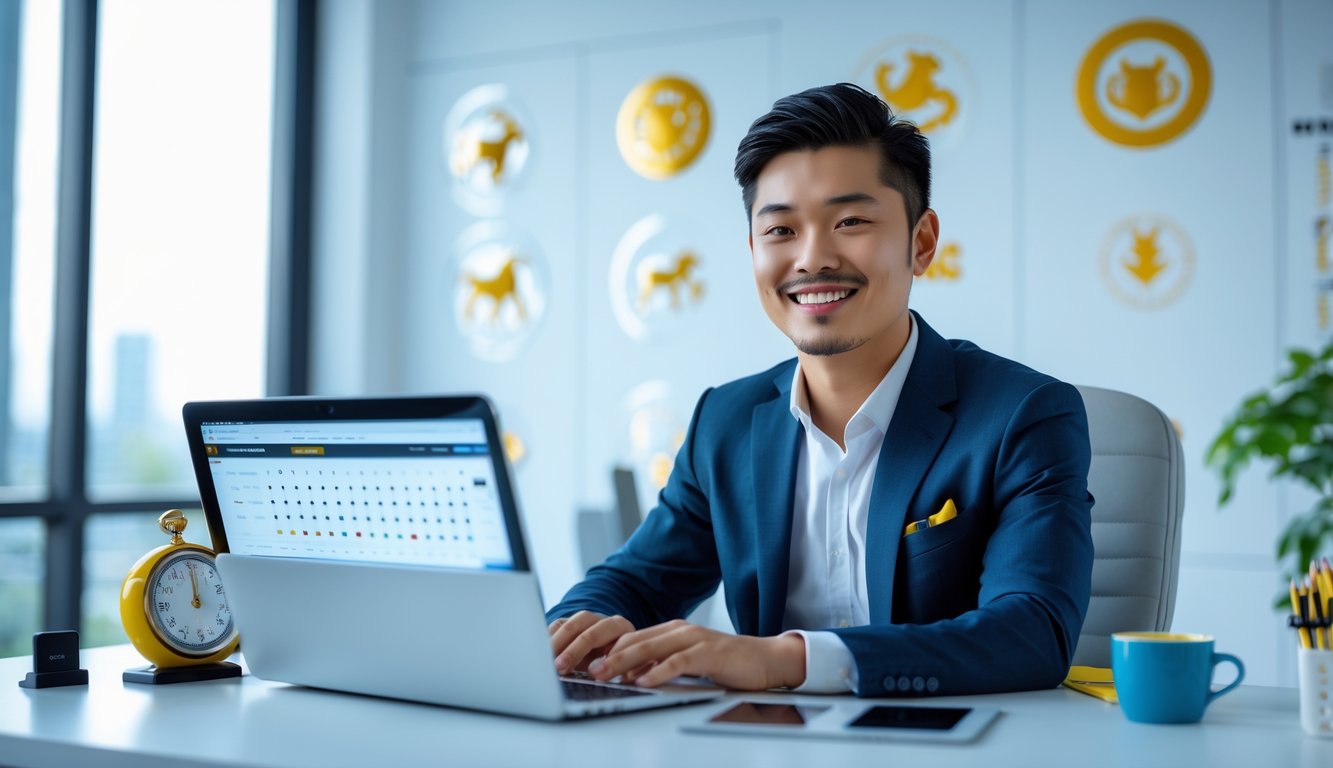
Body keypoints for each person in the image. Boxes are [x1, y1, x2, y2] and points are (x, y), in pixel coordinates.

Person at [547, 82, 1093, 697]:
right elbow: (636, 583)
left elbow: (1031, 633)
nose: (812, 259)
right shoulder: (724, 421)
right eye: (780, 231)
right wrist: (570, 630)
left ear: (922, 242)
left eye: (851, 221)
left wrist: (785, 660)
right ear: (752, 248)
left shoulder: (1022, 413)